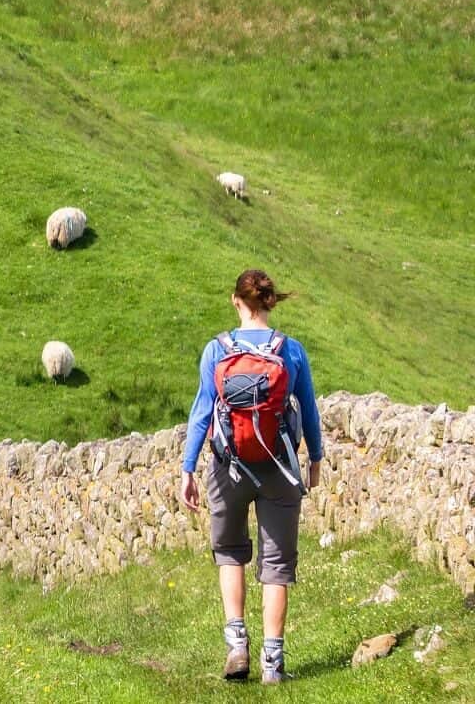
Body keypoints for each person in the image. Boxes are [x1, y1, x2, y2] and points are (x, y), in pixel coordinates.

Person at [177, 268, 323, 684]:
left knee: (230, 553)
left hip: (228, 468)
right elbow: (308, 409)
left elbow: (202, 413)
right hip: (278, 466)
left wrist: (188, 469)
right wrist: (314, 459)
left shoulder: (216, 350)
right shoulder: (291, 350)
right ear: (269, 302)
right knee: (276, 565)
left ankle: (237, 646)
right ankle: (273, 665)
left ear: (236, 302)